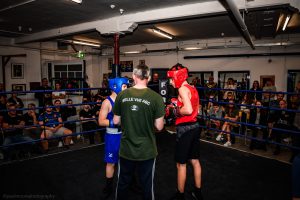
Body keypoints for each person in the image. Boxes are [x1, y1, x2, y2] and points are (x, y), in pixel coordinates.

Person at [113, 64, 165, 200]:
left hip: (126, 148)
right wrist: (147, 124)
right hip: (147, 149)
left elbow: (116, 121)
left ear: (134, 76)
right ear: (147, 77)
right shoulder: (156, 97)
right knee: (147, 185)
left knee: (123, 182)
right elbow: (159, 127)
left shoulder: (121, 95)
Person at [166, 63, 203, 200]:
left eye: (171, 78)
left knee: (181, 163)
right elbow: (196, 110)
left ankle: (180, 195)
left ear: (178, 76)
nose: (170, 81)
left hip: (185, 129)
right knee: (195, 161)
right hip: (195, 126)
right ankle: (198, 193)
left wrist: (175, 111)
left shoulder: (182, 89)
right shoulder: (193, 88)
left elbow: (187, 110)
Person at [98, 77, 128, 198]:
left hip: (126, 135)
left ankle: (131, 183)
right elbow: (100, 121)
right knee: (111, 163)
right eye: (125, 86)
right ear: (117, 86)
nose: (127, 88)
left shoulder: (126, 100)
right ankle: (109, 186)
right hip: (113, 137)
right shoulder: (107, 102)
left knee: (128, 160)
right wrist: (115, 122)